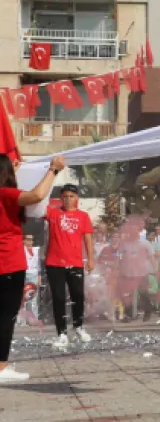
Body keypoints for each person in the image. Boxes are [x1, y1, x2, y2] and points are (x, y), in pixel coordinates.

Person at [0, 155, 65, 383]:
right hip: (7, 263)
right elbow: (36, 195)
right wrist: (53, 171)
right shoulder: (6, 194)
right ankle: (1, 368)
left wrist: (15, 172)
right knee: (5, 317)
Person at [43, 184, 94, 349]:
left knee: (78, 296)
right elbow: (37, 204)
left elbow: (88, 239)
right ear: (60, 198)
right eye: (65, 196)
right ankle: (61, 333)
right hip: (54, 263)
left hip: (75, 263)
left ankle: (78, 326)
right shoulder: (53, 213)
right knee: (58, 298)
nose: (68, 199)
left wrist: (91, 259)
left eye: (71, 196)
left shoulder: (83, 216)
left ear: (77, 198)